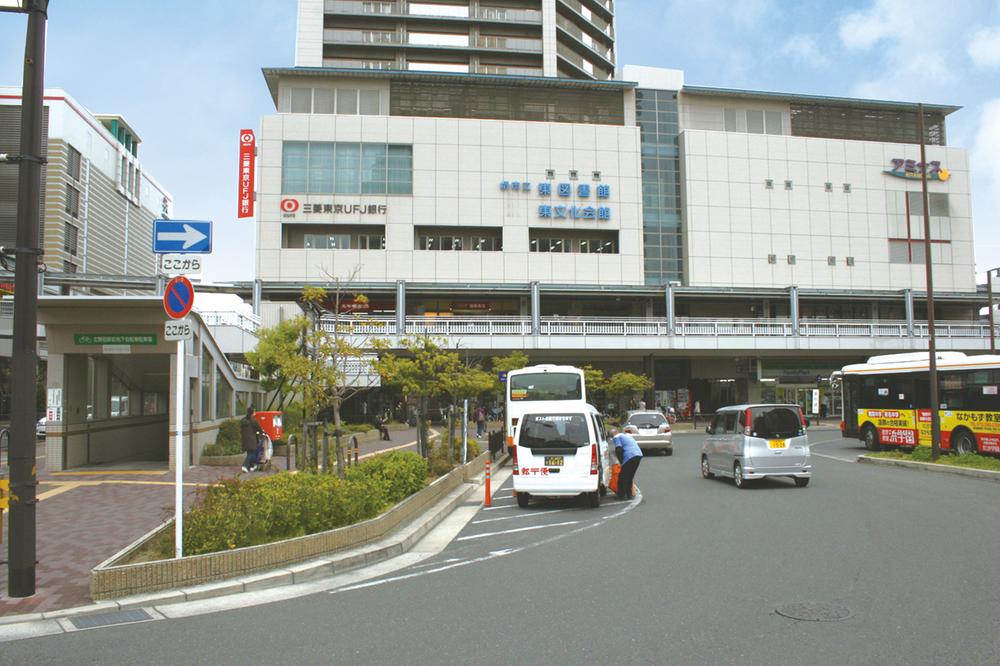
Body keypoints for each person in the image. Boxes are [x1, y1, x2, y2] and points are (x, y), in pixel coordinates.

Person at [610, 428, 643, 500]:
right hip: (638, 455)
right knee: (630, 476)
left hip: (629, 456)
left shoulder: (616, 437)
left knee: (623, 477)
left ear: (613, 434)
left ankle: (622, 495)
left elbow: (619, 449)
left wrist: (621, 461)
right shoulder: (627, 436)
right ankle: (629, 494)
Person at [240, 407, 263, 473]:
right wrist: (262, 432)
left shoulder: (243, 420)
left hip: (245, 439)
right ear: (252, 413)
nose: (255, 413)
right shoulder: (253, 420)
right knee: (252, 453)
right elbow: (259, 428)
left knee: (249, 453)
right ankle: (244, 466)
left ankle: (250, 466)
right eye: (254, 412)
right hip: (252, 440)